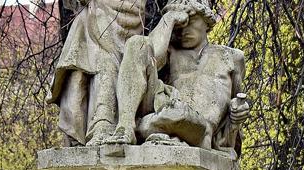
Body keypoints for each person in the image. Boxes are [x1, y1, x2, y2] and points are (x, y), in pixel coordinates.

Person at [104, 0, 250, 154]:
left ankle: (161, 129)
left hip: (197, 128)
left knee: (180, 114)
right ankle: (126, 126)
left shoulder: (232, 57)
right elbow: (151, 53)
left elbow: (234, 108)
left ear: (207, 21)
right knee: (137, 44)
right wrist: (170, 18)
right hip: (163, 113)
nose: (183, 30)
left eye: (190, 21)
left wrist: (238, 113)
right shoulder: (170, 52)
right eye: (179, 25)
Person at [48, 0, 146, 146]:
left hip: (125, 10)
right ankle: (92, 119)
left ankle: (102, 119)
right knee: (85, 21)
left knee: (96, 24)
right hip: (99, 12)